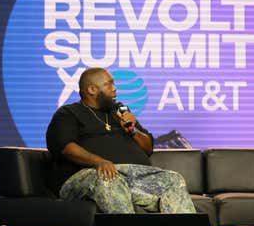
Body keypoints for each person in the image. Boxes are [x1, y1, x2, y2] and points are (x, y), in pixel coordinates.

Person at [46, 67, 196, 213]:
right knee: (108, 179)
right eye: (108, 84)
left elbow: (148, 148)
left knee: (173, 179)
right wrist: (99, 161)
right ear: (92, 90)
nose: (114, 88)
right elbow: (66, 147)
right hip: (87, 175)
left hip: (132, 176)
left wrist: (133, 130)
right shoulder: (68, 114)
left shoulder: (120, 112)